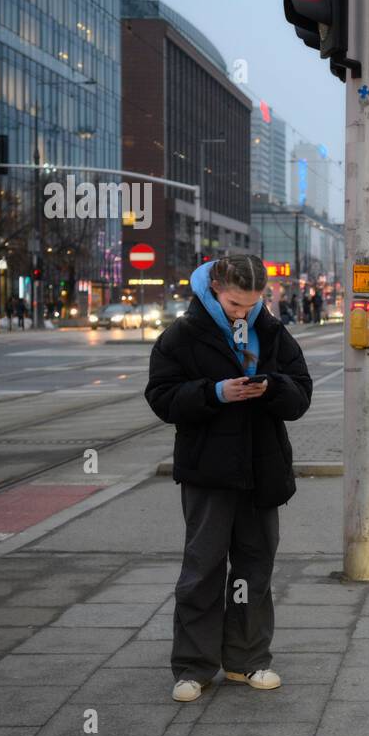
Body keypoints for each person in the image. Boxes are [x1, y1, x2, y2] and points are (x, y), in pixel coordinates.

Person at [145, 255, 312, 704]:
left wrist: (272, 387)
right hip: (209, 471)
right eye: (236, 304)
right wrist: (216, 393)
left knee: (254, 568)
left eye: (253, 304)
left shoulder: (272, 330)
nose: (243, 313)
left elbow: (301, 395)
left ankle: (247, 660)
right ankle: (193, 668)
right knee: (202, 569)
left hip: (262, 470)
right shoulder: (182, 335)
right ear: (214, 288)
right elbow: (161, 398)